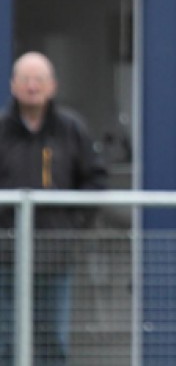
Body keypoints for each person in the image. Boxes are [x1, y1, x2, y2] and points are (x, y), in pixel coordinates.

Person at [0, 51, 108, 365]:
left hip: (54, 258)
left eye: (39, 80)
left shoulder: (71, 129)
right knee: (7, 342)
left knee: (52, 342)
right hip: (4, 258)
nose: (32, 86)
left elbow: (95, 180)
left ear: (53, 86)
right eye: (25, 80)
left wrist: (72, 226)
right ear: (13, 85)